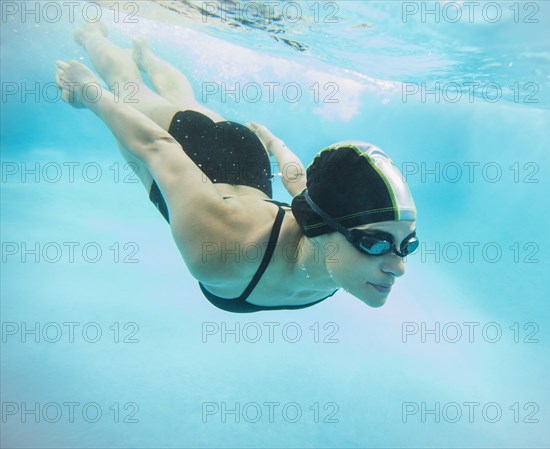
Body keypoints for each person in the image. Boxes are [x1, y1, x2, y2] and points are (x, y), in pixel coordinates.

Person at [55, 23, 419, 313]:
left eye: (408, 245)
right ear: (325, 228)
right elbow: (158, 148)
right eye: (375, 243)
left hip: (248, 158)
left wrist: (275, 145)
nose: (398, 267)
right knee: (127, 88)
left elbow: (300, 186)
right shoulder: (222, 247)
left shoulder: (331, 238)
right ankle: (89, 34)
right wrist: (88, 93)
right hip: (192, 153)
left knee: (186, 101)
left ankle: (148, 55)